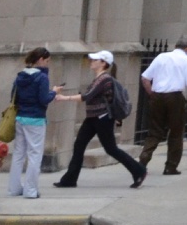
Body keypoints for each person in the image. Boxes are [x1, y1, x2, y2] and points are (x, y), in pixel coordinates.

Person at [51, 50, 144, 189]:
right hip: (93, 118)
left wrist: (64, 98)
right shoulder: (99, 79)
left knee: (111, 149)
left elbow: (87, 96)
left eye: (95, 60)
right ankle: (70, 179)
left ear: (103, 63)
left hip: (102, 118)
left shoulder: (104, 79)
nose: (91, 62)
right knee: (79, 145)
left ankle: (139, 171)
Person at [139, 38, 187, 176]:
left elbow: (145, 78)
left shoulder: (161, 57)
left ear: (175, 46)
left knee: (154, 131)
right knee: (176, 132)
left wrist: (152, 94)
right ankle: (171, 166)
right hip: (175, 97)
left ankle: (143, 160)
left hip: (158, 95)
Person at [7, 47, 57, 199]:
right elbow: (44, 99)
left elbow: (13, 97)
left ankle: (14, 188)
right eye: (47, 61)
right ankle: (30, 190)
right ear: (41, 59)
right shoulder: (42, 78)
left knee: (18, 154)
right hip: (35, 119)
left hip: (20, 117)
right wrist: (54, 92)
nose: (48, 64)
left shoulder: (20, 76)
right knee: (35, 155)